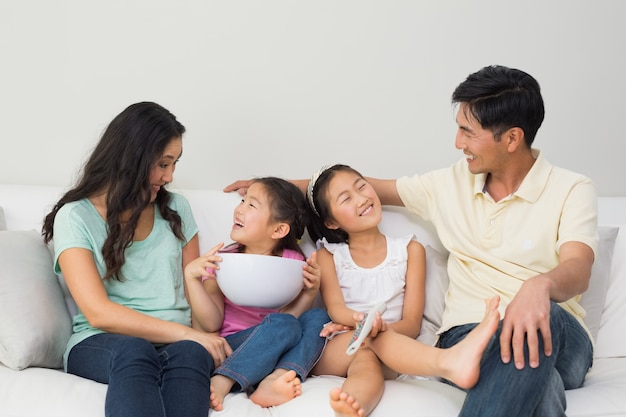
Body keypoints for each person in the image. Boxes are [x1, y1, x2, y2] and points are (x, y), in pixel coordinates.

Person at [224, 65, 599, 417]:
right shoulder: (449, 184)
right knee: (539, 381)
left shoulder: (571, 188)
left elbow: (578, 269)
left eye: (468, 132)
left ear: (512, 138)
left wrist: (540, 286)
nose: (457, 142)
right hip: (468, 336)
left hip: (557, 334)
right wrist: (272, 189)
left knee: (538, 318)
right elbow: (361, 186)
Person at [42, 102, 231, 417]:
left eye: (174, 164)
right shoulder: (75, 216)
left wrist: (196, 336)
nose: (169, 176)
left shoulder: (178, 211)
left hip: (177, 343)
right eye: (162, 164)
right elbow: (99, 313)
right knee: (137, 348)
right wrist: (189, 333)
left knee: (191, 353)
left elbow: (201, 311)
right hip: (99, 343)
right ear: (131, 159)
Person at [304, 163, 501, 417]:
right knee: (367, 342)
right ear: (331, 222)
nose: (362, 198)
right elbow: (336, 309)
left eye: (361, 186)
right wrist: (364, 324)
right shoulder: (328, 256)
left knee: (369, 351)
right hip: (339, 346)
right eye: (346, 198)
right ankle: (449, 362)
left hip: (390, 348)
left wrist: (374, 331)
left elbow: (411, 324)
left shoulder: (410, 250)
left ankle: (352, 406)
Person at [184, 177, 330, 411]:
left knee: (319, 319)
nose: (239, 209)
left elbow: (289, 320)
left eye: (251, 205)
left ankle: (276, 378)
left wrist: (309, 293)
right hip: (233, 347)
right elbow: (211, 322)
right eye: (243, 201)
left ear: (279, 229)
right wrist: (192, 279)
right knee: (285, 324)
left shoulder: (293, 263)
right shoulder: (222, 259)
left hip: (277, 347)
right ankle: (224, 378)